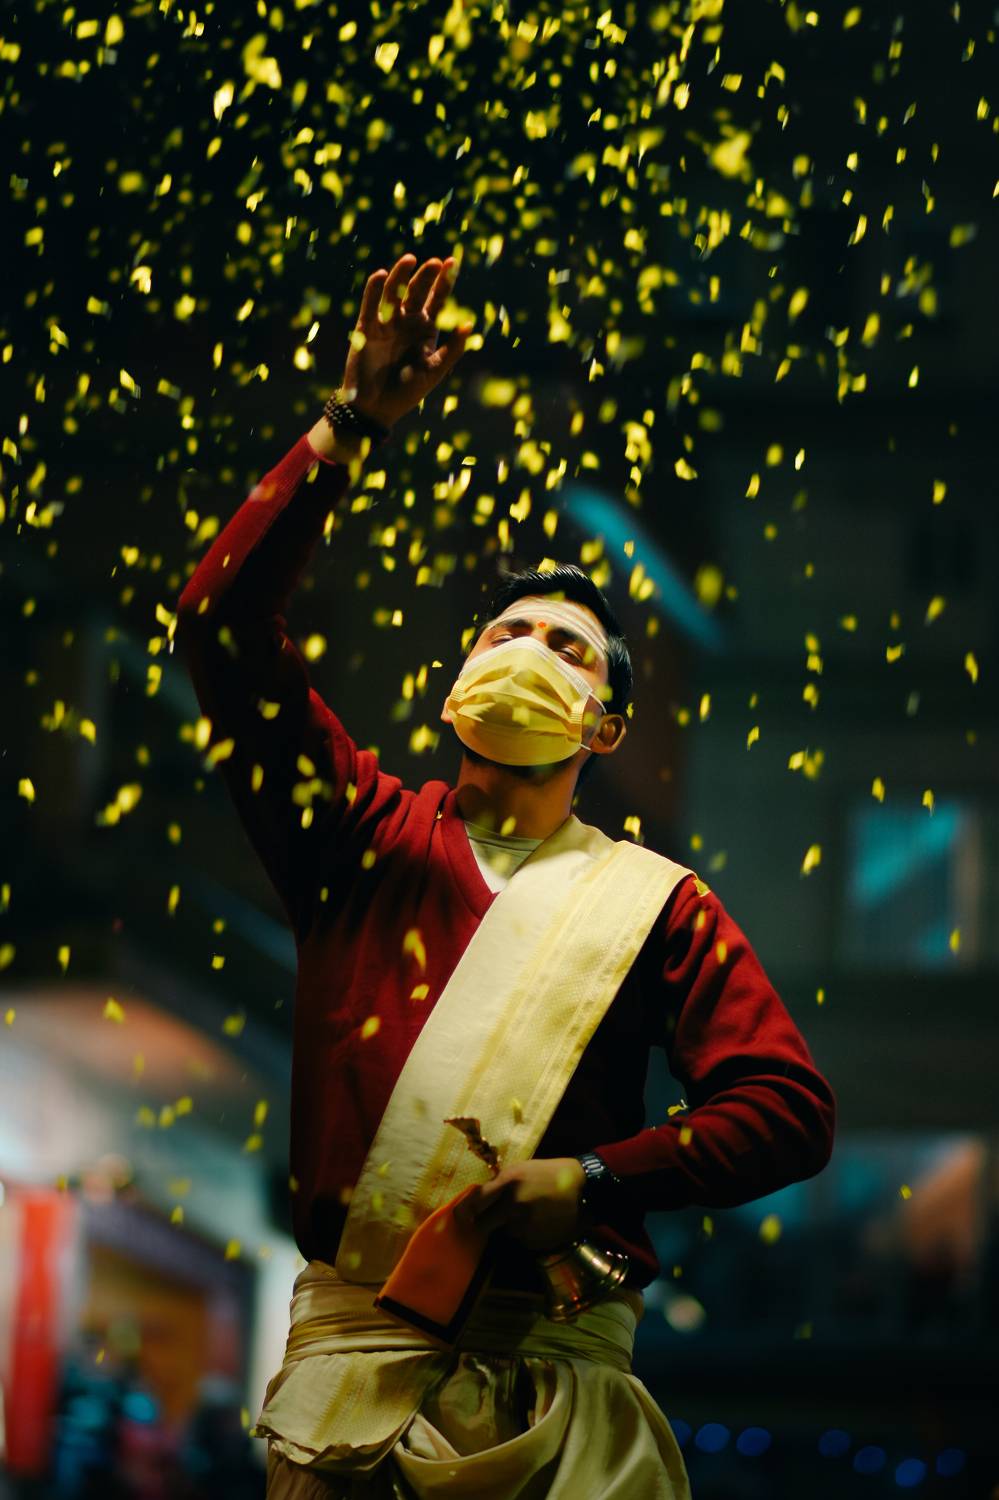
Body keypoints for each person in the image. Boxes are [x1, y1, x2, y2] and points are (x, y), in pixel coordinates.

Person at [175, 251, 836, 1498]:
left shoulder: (660, 906)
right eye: (507, 633)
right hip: (348, 1409)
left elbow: (789, 1110)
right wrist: (349, 423)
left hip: (565, 1411)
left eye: (568, 648)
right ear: (455, 691)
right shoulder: (360, 838)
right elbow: (219, 623)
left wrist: (597, 1181)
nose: (530, 649)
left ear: (606, 726)